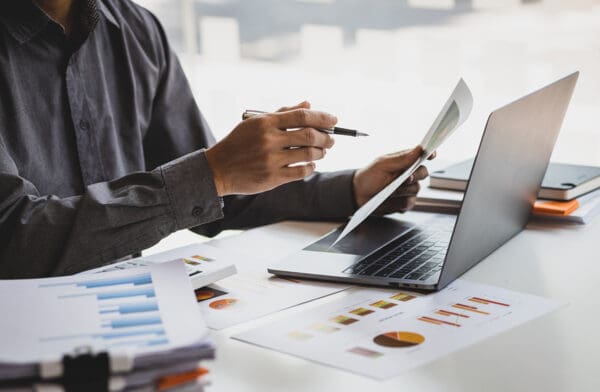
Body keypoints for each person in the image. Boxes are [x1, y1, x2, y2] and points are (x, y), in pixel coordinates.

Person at [0, 0, 429, 278]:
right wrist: (214, 171)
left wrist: (354, 189)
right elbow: (14, 239)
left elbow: (211, 199)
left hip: (126, 316)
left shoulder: (136, 31)